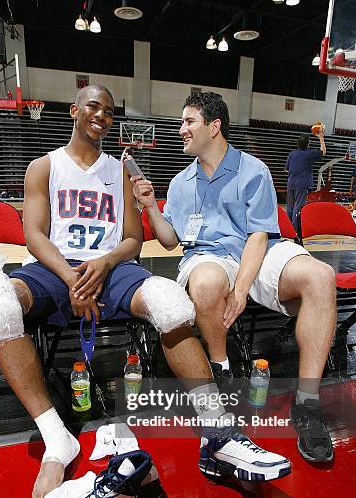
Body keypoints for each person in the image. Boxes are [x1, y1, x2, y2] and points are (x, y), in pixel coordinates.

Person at [0, 85, 290, 498]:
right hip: (54, 269)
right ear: (74, 111)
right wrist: (72, 277)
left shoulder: (119, 171)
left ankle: (218, 431)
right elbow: (33, 236)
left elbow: (134, 238)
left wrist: (103, 264)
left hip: (114, 268)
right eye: (93, 107)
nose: (101, 115)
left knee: (172, 304)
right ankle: (55, 439)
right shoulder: (42, 167)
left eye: (108, 110)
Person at [131, 91, 337, 464]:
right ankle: (221, 369)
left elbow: (259, 235)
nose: (181, 130)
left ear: (214, 126)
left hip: (258, 250)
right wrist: (150, 208)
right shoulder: (179, 184)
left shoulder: (252, 169)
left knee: (320, 276)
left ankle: (307, 402)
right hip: (208, 256)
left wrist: (242, 288)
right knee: (207, 283)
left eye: (188, 121)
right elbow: (170, 240)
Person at [285, 131, 326, 229]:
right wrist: (321, 138)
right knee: (297, 207)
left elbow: (286, 169)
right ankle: (295, 230)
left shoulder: (292, 154)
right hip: (301, 184)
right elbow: (323, 152)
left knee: (290, 207)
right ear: (308, 144)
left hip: (290, 183)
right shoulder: (309, 154)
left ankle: (288, 228)